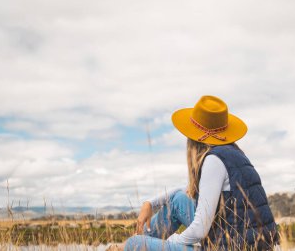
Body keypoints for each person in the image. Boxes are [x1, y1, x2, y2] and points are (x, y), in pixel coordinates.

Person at [109, 95, 279, 251]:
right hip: (246, 240)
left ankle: (126, 247)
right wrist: (150, 204)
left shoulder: (214, 161)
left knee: (134, 244)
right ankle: (125, 247)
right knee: (178, 200)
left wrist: (174, 241)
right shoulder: (233, 154)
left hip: (231, 246)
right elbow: (185, 191)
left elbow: (200, 229)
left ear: (194, 137)